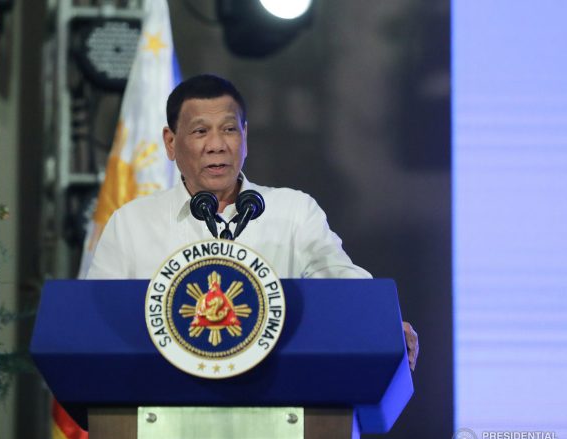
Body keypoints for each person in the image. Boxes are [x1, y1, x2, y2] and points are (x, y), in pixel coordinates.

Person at [87, 74, 418, 371]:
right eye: (200, 131)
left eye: (229, 129)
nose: (216, 145)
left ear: (245, 135)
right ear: (171, 143)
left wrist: (383, 323)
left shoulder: (293, 212)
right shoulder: (131, 223)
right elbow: (96, 323)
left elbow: (344, 284)